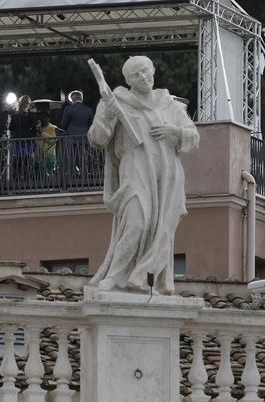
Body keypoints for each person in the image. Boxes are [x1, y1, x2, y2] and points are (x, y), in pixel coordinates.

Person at [87, 56, 199, 294]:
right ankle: (116, 276)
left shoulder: (169, 104)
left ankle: (144, 277)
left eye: (146, 71)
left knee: (162, 228)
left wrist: (174, 131)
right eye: (137, 74)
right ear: (129, 80)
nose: (144, 77)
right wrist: (107, 115)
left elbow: (193, 136)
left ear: (153, 70)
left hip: (167, 174)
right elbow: (98, 139)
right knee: (136, 221)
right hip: (135, 167)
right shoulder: (116, 101)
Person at [61, 90, 95, 179]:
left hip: (71, 138)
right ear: (81, 98)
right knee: (83, 158)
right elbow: (91, 124)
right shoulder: (88, 110)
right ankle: (84, 178)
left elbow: (63, 124)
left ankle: (72, 178)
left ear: (73, 99)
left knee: (71, 158)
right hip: (84, 138)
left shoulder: (68, 109)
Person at [8, 95, 39, 183]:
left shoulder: (15, 116)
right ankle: (27, 180)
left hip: (17, 142)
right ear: (28, 104)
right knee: (28, 161)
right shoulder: (31, 115)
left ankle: (16, 180)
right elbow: (34, 129)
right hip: (28, 142)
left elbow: (11, 129)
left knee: (18, 162)